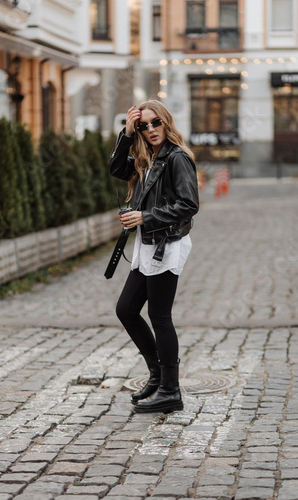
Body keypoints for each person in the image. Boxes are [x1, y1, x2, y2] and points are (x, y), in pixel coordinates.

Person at [108, 99, 199, 413]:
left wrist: (145, 217)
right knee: (126, 309)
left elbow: (189, 204)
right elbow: (116, 168)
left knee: (160, 317)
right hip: (148, 244)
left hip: (167, 244)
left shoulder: (177, 157)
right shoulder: (147, 156)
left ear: (166, 122)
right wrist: (126, 133)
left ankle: (171, 391)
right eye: (143, 126)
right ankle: (157, 374)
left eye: (154, 123)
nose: (150, 130)